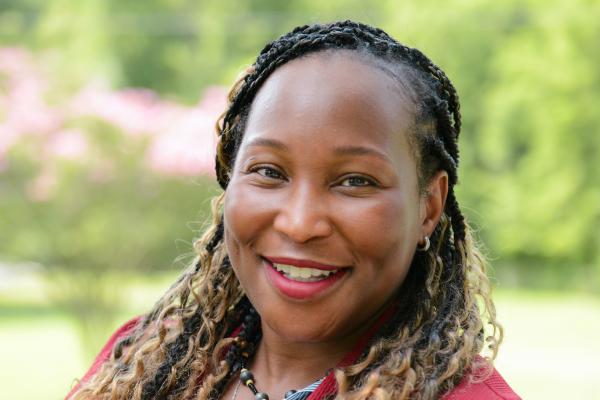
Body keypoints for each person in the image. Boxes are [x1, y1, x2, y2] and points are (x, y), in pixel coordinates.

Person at [67, 20, 519, 400]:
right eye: (269, 171)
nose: (300, 224)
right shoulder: (143, 360)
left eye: (356, 181)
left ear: (429, 207)